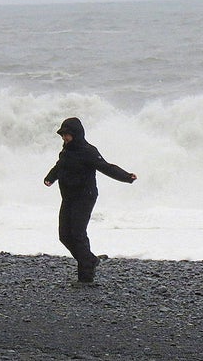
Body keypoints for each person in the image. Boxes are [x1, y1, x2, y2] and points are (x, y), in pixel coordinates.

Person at [44, 117, 137, 284]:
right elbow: (59, 166)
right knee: (64, 235)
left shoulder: (88, 151)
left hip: (85, 196)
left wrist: (126, 177)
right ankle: (90, 260)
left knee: (78, 234)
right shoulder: (66, 151)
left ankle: (86, 272)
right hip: (68, 197)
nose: (64, 138)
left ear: (76, 134)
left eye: (67, 135)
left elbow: (106, 167)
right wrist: (50, 178)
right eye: (63, 135)